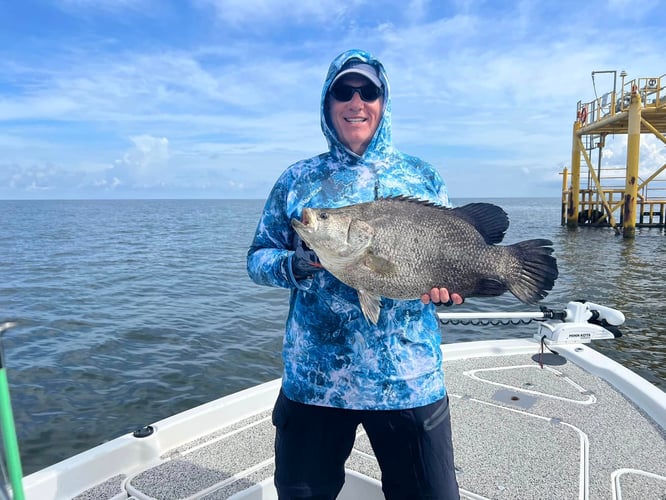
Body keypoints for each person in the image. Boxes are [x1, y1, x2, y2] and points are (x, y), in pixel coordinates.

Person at [247, 48, 463, 500]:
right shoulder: (298, 179)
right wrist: (295, 264)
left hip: (409, 380)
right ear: (327, 104)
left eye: (369, 91)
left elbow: (449, 250)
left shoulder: (422, 176)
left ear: (384, 102)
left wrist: (449, 288)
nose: (356, 101)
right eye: (343, 91)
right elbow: (258, 258)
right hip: (316, 383)